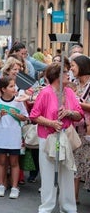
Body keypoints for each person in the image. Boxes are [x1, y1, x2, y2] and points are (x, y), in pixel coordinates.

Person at [30, 63, 83, 213]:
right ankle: (46, 208)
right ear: (57, 76)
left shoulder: (70, 93)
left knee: (66, 173)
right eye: (65, 72)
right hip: (47, 137)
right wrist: (51, 122)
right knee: (48, 174)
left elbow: (79, 115)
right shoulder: (45, 93)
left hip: (65, 137)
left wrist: (68, 112)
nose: (68, 74)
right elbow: (34, 115)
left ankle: (68, 208)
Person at [0, 76, 28, 199]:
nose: (14, 88)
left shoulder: (18, 101)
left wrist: (18, 115)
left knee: (14, 162)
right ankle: (1, 185)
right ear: (3, 89)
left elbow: (25, 117)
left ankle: (15, 187)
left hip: (14, 137)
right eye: (11, 86)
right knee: (1, 161)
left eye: (14, 85)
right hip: (1, 137)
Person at [70, 55, 90, 204]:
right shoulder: (73, 83)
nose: (71, 69)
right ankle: (73, 198)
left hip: (88, 130)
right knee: (74, 164)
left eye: (73, 66)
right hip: (75, 130)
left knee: (86, 164)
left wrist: (77, 103)